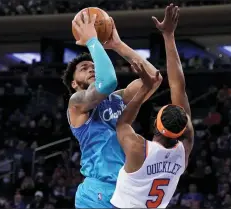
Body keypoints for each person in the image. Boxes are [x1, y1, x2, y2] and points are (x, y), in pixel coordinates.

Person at [62, 11, 161, 208]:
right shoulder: (77, 103)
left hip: (128, 189)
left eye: (93, 65)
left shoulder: (118, 98)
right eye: (83, 68)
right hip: (98, 191)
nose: (91, 68)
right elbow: (107, 82)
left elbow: (154, 78)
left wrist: (118, 45)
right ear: (73, 83)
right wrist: (92, 41)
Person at [110, 4, 194, 208]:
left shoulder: (140, 148)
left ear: (156, 124)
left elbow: (121, 124)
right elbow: (178, 86)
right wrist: (168, 35)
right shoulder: (184, 150)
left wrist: (145, 87)